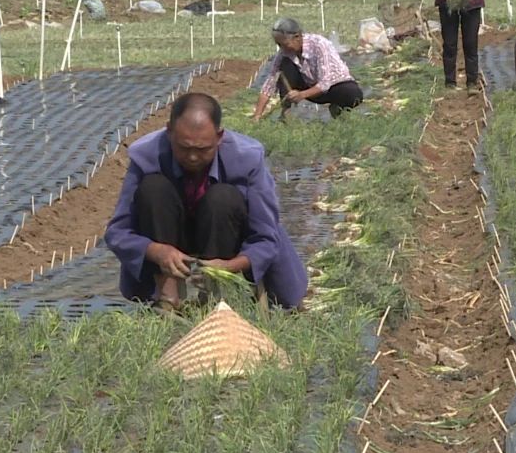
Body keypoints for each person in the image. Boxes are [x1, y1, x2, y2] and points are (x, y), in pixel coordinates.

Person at [105, 92, 308, 310]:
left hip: (227, 237)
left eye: (202, 150)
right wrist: (156, 251)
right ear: (169, 131)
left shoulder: (246, 158)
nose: (192, 157)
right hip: (169, 235)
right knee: (154, 189)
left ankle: (216, 293)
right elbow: (117, 232)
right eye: (184, 148)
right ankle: (167, 293)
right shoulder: (145, 156)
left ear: (219, 137)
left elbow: (266, 236)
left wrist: (230, 266)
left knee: (222, 198)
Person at [251, 18, 363, 120]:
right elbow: (270, 83)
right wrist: (257, 115)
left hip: (334, 87)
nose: (282, 49)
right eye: (279, 45)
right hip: (311, 88)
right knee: (285, 66)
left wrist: (302, 95)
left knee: (352, 93)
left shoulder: (319, 44)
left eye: (285, 44)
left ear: (297, 37)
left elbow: (326, 82)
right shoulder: (284, 53)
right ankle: (286, 113)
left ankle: (338, 109)